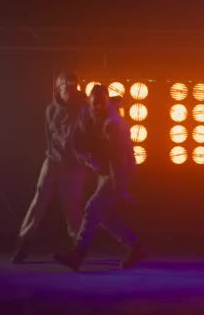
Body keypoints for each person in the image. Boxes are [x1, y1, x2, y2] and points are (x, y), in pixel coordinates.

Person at [53, 84, 144, 271]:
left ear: (107, 101)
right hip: (104, 171)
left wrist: (120, 186)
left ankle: (78, 253)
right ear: (89, 101)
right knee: (104, 216)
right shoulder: (86, 115)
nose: (98, 107)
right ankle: (135, 247)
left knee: (92, 208)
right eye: (95, 103)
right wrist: (88, 160)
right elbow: (75, 141)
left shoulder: (114, 124)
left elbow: (117, 158)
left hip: (120, 170)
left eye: (101, 103)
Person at [12, 71, 89, 264]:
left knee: (73, 208)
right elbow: (50, 138)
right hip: (53, 161)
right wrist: (54, 157)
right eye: (67, 86)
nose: (71, 89)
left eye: (74, 85)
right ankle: (24, 244)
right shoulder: (50, 110)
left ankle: (78, 247)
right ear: (59, 87)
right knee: (38, 202)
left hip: (74, 165)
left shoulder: (83, 108)